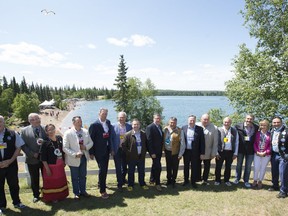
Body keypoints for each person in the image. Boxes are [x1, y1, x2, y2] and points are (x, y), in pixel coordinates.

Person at [0, 116, 26, 214]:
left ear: (4, 122)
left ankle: (17, 202)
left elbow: (18, 147)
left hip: (11, 165)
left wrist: (10, 160)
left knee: (14, 184)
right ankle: (1, 205)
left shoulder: (13, 133)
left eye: (0, 121)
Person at [63, 116, 93, 199]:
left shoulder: (85, 131)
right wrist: (74, 154)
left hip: (83, 157)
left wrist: (86, 147)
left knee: (83, 176)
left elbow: (91, 142)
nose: (80, 123)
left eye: (81, 121)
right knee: (75, 177)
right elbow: (65, 147)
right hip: (74, 159)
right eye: (78, 122)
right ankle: (76, 193)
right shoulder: (68, 133)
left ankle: (83, 191)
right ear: (73, 123)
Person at [21, 113, 48, 203]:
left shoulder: (46, 128)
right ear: (30, 121)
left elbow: (49, 141)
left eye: (37, 118)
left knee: (47, 177)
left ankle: (47, 193)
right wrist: (32, 154)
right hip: (32, 159)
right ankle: (36, 195)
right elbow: (23, 145)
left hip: (45, 159)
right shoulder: (24, 131)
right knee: (34, 178)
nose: (36, 121)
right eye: (33, 119)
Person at [40, 124, 69, 202]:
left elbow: (62, 151)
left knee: (60, 180)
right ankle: (53, 197)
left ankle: (62, 196)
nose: (51, 131)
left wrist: (63, 161)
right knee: (53, 182)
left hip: (59, 165)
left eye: (52, 129)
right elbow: (43, 158)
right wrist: (47, 169)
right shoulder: (45, 142)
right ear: (46, 132)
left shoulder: (59, 138)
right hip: (50, 166)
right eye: (49, 130)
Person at [89, 108, 113, 199]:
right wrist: (91, 152)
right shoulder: (94, 125)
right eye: (103, 113)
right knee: (102, 170)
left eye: (106, 114)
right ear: (99, 114)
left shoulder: (108, 122)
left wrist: (111, 148)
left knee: (104, 169)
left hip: (106, 150)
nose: (105, 115)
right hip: (98, 151)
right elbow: (91, 139)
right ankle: (103, 191)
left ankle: (100, 184)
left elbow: (109, 136)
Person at [122, 119, 149, 191]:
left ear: (139, 125)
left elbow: (146, 144)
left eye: (137, 124)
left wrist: (144, 152)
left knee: (141, 171)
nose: (136, 126)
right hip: (131, 157)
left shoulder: (143, 134)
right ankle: (130, 185)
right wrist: (129, 153)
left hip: (141, 156)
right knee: (131, 172)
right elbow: (123, 145)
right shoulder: (127, 134)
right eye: (134, 124)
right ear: (132, 125)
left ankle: (142, 183)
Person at [179, 115, 205, 188]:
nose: (192, 122)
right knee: (186, 167)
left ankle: (193, 182)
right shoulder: (183, 128)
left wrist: (202, 153)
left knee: (194, 167)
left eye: (193, 120)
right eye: (190, 120)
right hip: (186, 151)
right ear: (188, 120)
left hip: (195, 152)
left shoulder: (199, 129)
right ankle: (186, 181)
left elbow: (202, 142)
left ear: (195, 121)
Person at [234, 114, 259, 188]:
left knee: (248, 167)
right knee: (239, 165)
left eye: (251, 119)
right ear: (245, 118)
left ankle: (246, 181)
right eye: (248, 118)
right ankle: (237, 179)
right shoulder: (238, 126)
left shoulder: (256, 127)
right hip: (240, 149)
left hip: (251, 150)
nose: (249, 120)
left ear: (253, 120)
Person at [215, 117, 239, 186]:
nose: (226, 123)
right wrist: (216, 152)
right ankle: (217, 180)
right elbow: (215, 142)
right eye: (225, 122)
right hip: (220, 151)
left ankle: (226, 180)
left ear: (231, 123)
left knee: (228, 167)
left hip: (230, 152)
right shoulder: (218, 130)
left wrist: (235, 153)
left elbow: (237, 142)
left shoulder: (234, 131)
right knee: (218, 166)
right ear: (223, 122)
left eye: (228, 122)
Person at [112, 111, 132, 190]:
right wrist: (112, 149)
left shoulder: (129, 126)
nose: (121, 119)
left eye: (123, 117)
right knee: (118, 167)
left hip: (126, 149)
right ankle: (119, 183)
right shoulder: (113, 126)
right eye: (120, 117)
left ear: (125, 118)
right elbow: (111, 139)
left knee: (124, 166)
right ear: (118, 118)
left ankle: (123, 179)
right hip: (117, 149)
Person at [196, 114, 218, 185]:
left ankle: (205, 179)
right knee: (197, 165)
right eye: (204, 119)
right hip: (198, 151)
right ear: (201, 119)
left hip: (208, 151)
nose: (205, 121)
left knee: (207, 166)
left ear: (209, 120)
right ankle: (198, 178)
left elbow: (215, 142)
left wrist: (213, 153)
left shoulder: (214, 128)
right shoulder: (196, 125)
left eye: (207, 119)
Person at [146, 114, 164, 191]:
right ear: (153, 119)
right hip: (154, 152)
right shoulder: (150, 127)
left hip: (159, 151)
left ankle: (152, 179)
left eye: (159, 119)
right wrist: (152, 152)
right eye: (156, 118)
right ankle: (158, 183)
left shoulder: (159, 127)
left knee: (155, 165)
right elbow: (149, 141)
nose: (158, 120)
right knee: (158, 167)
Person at [163, 117, 182, 188]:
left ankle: (173, 180)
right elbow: (165, 140)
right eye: (171, 122)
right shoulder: (165, 129)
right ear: (169, 122)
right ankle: (169, 180)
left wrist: (180, 154)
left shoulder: (179, 130)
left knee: (175, 167)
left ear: (176, 123)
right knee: (168, 166)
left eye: (174, 123)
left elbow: (182, 143)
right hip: (167, 151)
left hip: (175, 152)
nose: (172, 124)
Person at [252, 120, 271, 189]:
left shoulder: (270, 134)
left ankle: (260, 181)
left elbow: (270, 145)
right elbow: (254, 143)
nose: (263, 126)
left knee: (263, 168)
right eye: (261, 125)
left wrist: (265, 152)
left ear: (267, 126)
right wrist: (257, 151)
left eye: (264, 125)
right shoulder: (257, 133)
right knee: (256, 167)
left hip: (266, 154)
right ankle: (255, 180)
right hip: (257, 153)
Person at [268, 116, 286, 191]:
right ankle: (275, 185)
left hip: (283, 155)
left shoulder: (286, 131)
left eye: (278, 122)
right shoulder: (272, 130)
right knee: (274, 171)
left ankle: (283, 190)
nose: (276, 124)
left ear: (281, 122)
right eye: (274, 122)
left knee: (283, 173)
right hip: (274, 154)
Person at [277, 126, 288, 198]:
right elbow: (281, 144)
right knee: (283, 174)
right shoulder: (285, 132)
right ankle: (283, 191)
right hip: (286, 156)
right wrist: (284, 155)